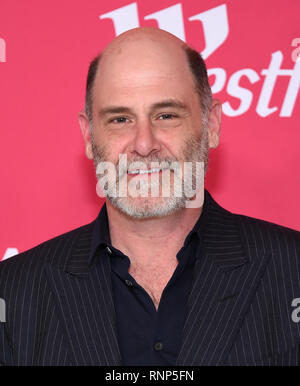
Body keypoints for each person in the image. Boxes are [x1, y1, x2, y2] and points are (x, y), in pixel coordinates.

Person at [0, 27, 299, 367]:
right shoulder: (13, 292)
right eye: (120, 119)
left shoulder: (292, 270)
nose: (144, 144)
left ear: (211, 124)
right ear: (88, 135)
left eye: (166, 115)